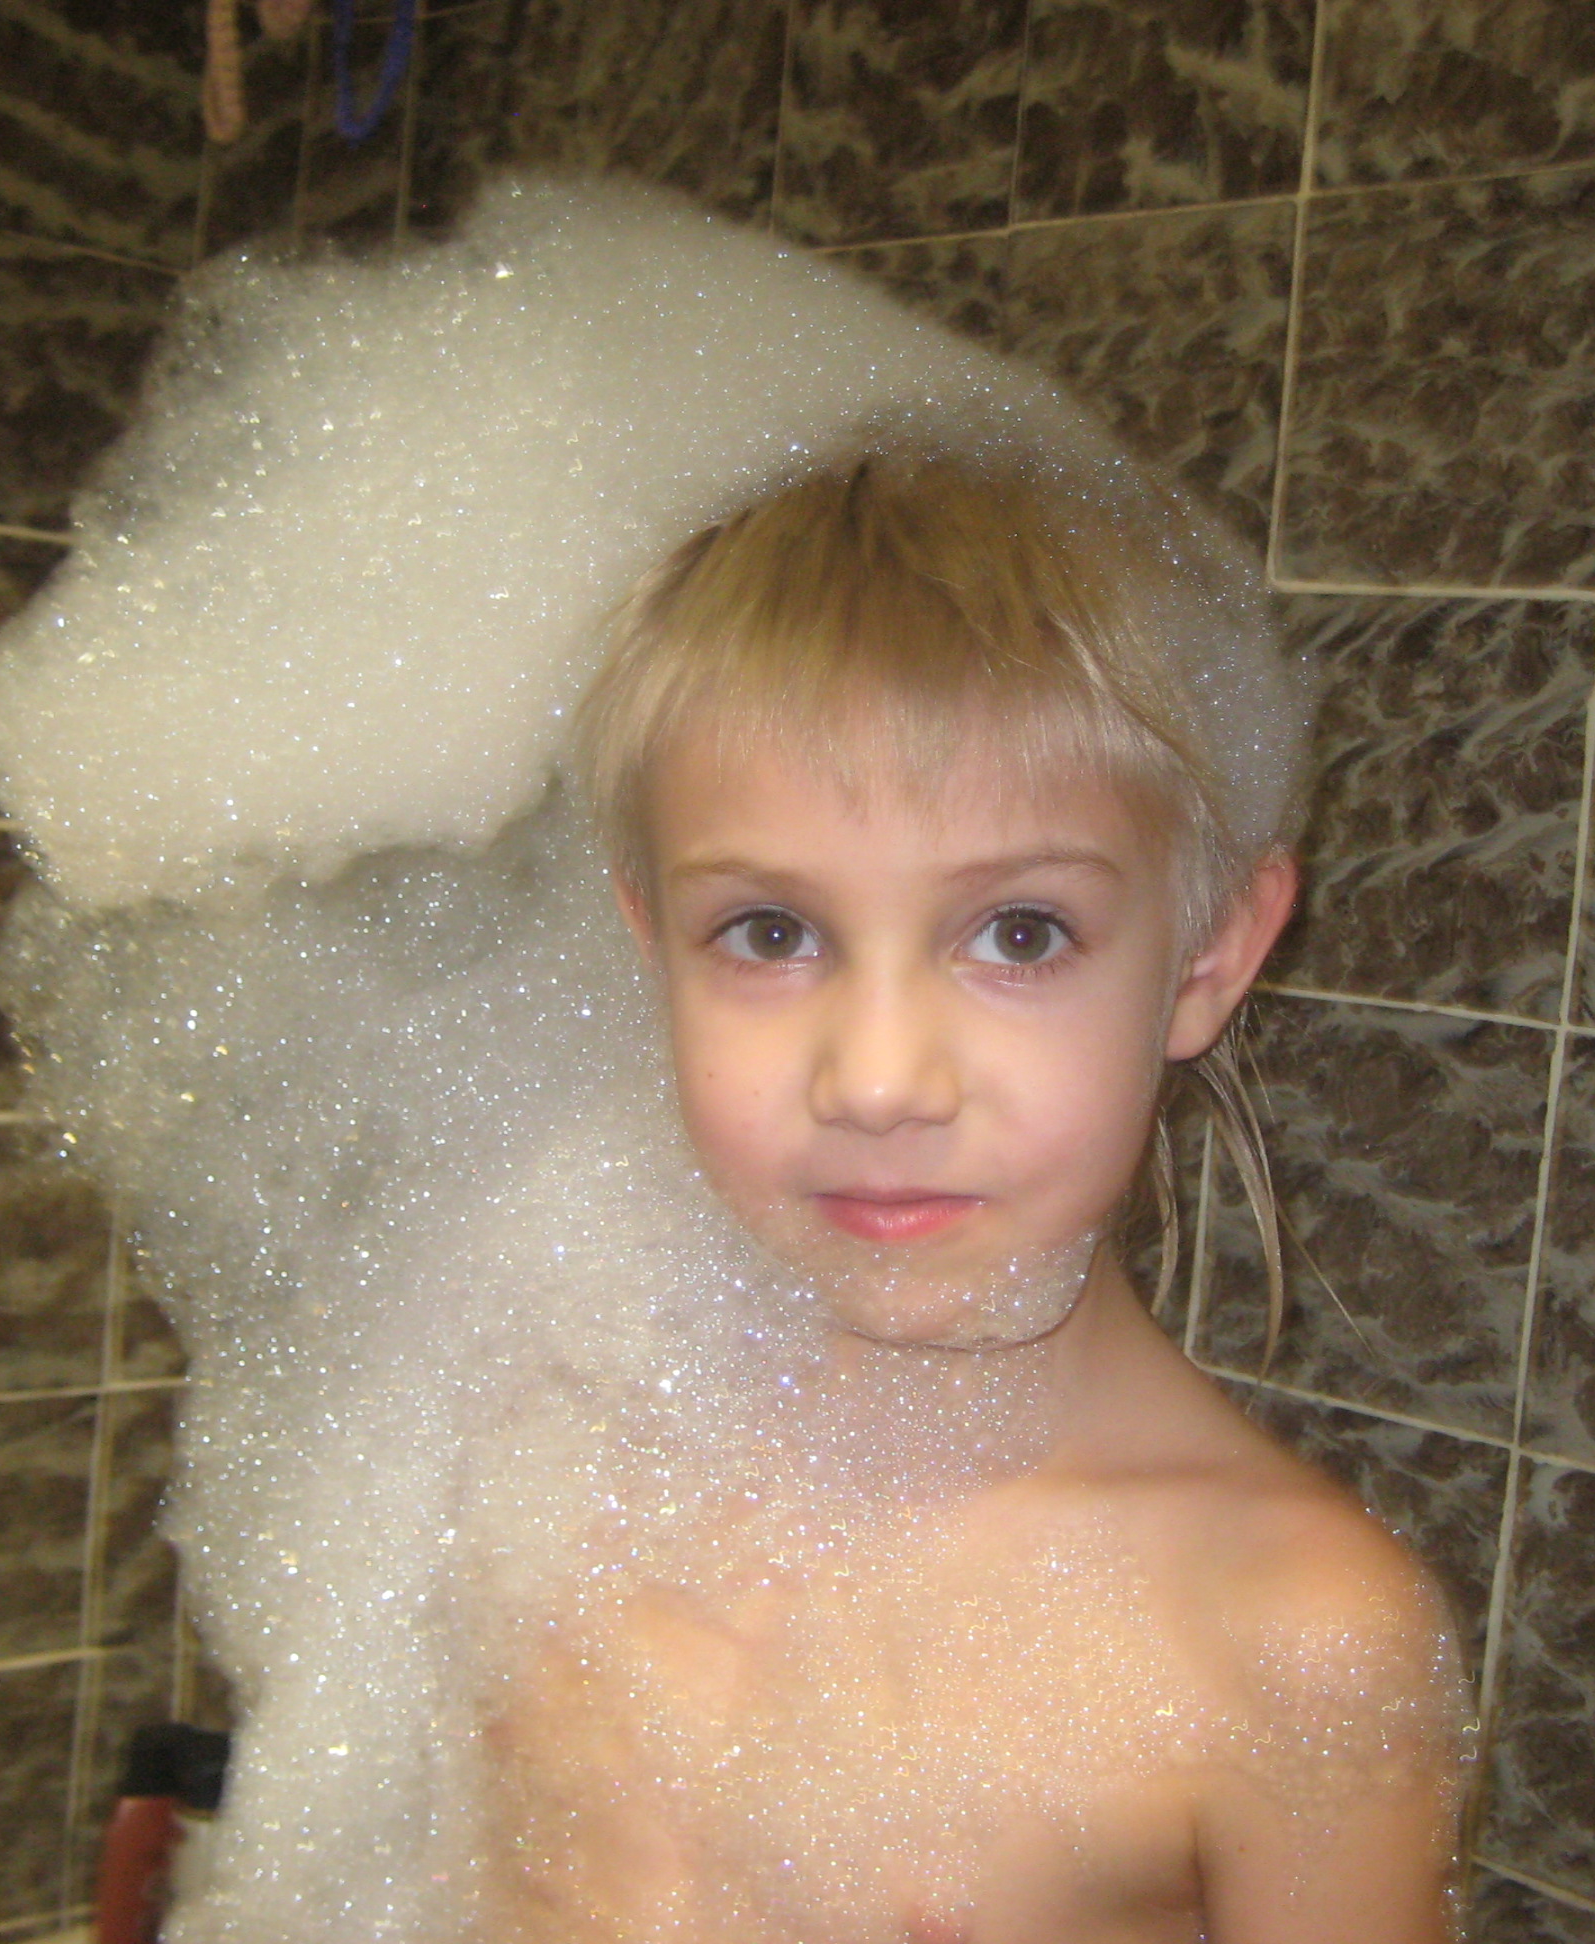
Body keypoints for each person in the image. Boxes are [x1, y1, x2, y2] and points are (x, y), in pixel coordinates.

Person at [467, 450, 1469, 1943]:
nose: (879, 1081)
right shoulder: (539, 1484)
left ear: (1207, 955)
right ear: (651, 943)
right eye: (770, 931)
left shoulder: (1290, 1637)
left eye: (1019, 933)